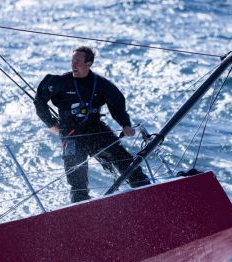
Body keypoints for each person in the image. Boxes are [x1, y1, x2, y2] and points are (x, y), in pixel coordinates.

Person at [34, 46, 150, 203]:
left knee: (123, 159)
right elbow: (39, 100)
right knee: (77, 179)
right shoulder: (60, 82)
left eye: (77, 62)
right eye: (72, 61)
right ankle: (80, 206)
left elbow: (117, 103)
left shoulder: (100, 84)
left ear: (89, 63)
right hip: (71, 133)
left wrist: (125, 124)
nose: (73, 65)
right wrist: (51, 124)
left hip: (95, 129)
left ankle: (145, 189)